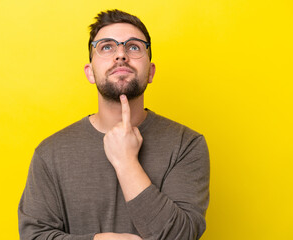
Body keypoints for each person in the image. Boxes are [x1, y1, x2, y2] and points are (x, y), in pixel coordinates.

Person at [18, 9, 210, 240]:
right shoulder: (50, 153)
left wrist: (127, 162)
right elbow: (33, 236)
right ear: (90, 72)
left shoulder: (186, 145)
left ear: (150, 72)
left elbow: (182, 236)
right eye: (107, 47)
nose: (121, 55)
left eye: (133, 47)